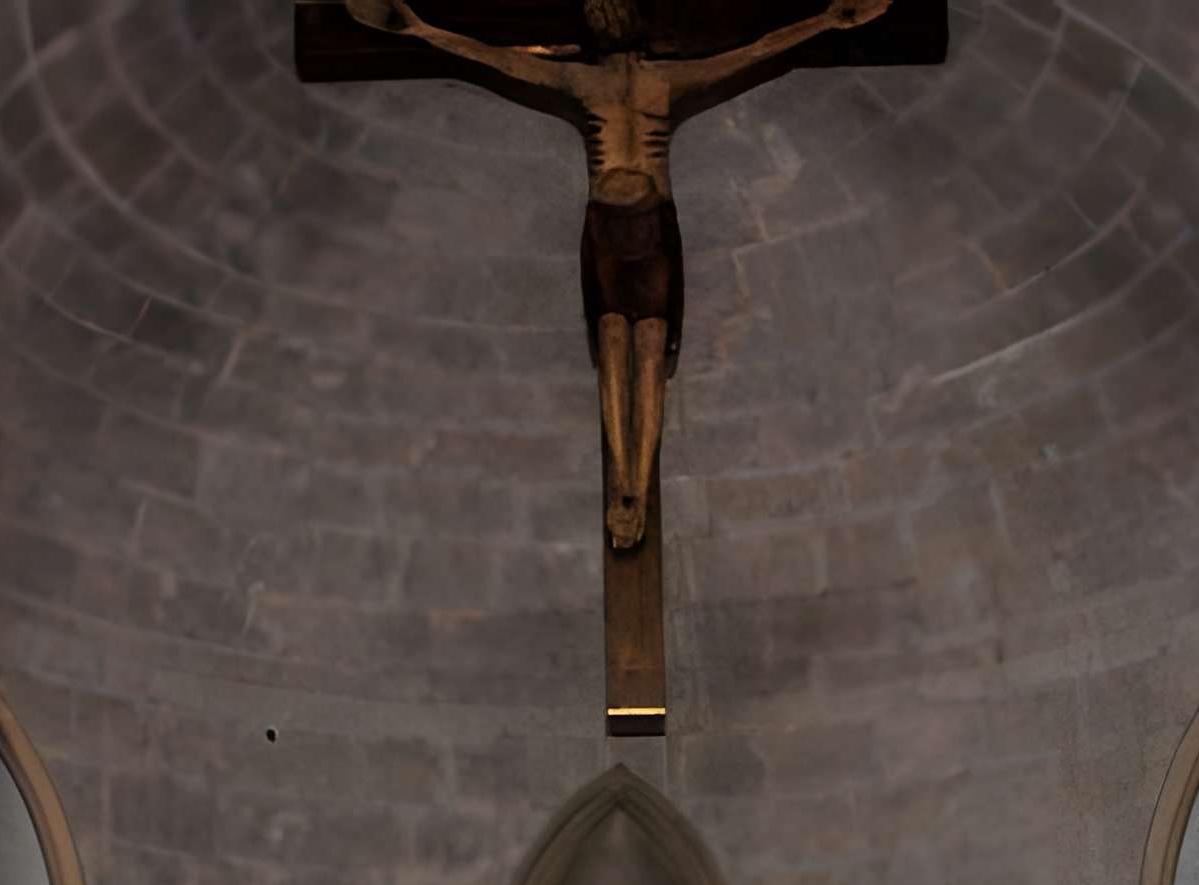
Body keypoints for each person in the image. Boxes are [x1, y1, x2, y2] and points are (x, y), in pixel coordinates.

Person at [344, 0, 896, 550]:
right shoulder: (576, 80)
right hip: (607, 230)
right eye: (598, 9)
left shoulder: (669, 79)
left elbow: (752, 52)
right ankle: (623, 486)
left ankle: (636, 485)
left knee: (650, 342)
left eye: (614, 7)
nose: (606, 16)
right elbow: (501, 62)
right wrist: (423, 29)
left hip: (652, 229)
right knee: (613, 337)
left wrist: (824, 21)